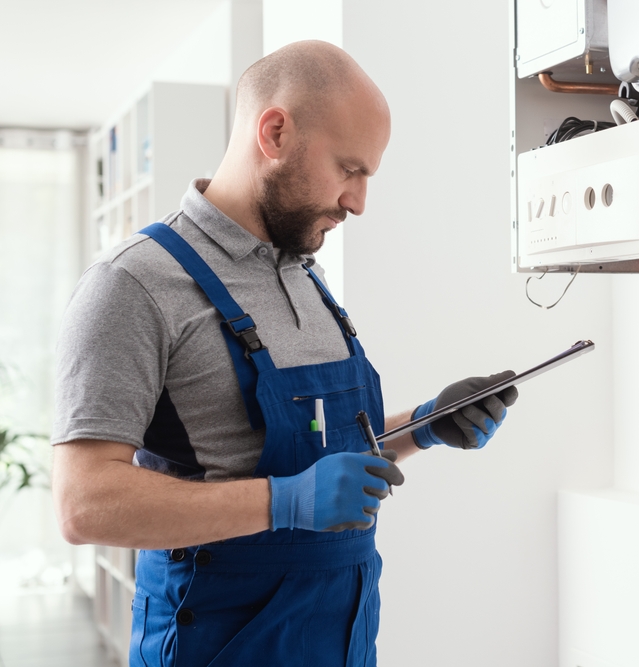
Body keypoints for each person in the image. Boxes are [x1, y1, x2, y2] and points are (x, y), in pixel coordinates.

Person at [50, 40, 517, 667]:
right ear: (274, 133)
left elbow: (322, 450)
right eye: (350, 169)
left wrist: (426, 424)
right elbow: (83, 504)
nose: (358, 201)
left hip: (341, 640)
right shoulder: (133, 284)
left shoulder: (304, 275)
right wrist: (283, 503)